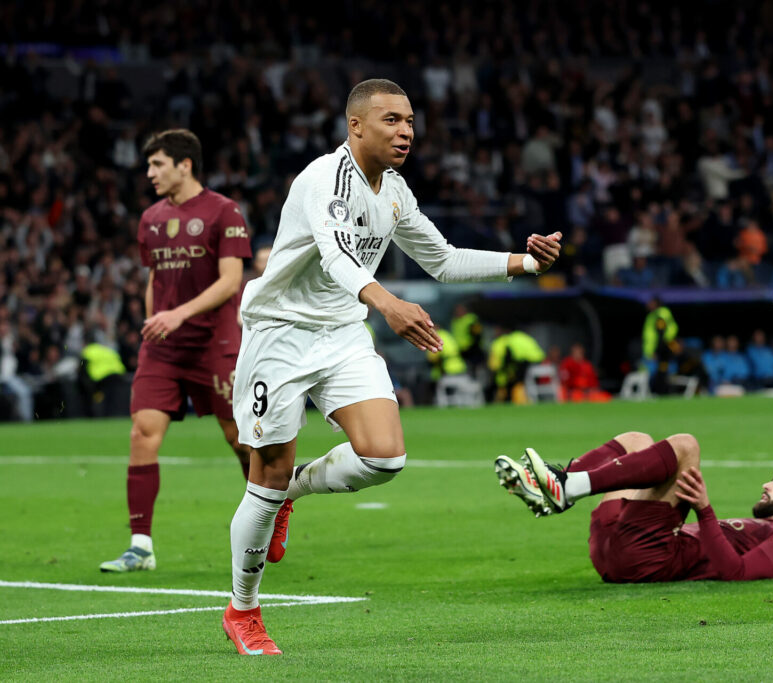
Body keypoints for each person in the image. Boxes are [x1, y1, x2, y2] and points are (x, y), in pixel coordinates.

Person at [223, 79, 561, 655]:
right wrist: (389, 304)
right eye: (390, 120)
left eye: (409, 121)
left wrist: (526, 260)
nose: (405, 131)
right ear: (356, 126)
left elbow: (444, 260)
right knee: (265, 472)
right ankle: (244, 610)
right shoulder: (322, 180)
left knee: (384, 456)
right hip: (278, 336)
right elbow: (334, 256)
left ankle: (292, 497)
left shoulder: (395, 191)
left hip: (341, 334)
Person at [100, 129, 252, 573]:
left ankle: (265, 522)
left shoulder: (224, 211)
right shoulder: (149, 218)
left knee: (240, 440)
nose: (149, 173)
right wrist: (156, 323)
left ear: (184, 165)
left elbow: (230, 282)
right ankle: (140, 546)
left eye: (157, 164)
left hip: (215, 344)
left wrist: (177, 315)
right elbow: (155, 280)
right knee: (142, 434)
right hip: (164, 349)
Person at [495, 432, 773, 582]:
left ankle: (564, 488)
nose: (767, 485)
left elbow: (735, 573)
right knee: (637, 440)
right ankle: (557, 487)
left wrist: (704, 510)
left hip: (647, 557)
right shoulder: (765, 528)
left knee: (686, 446)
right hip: (625, 548)